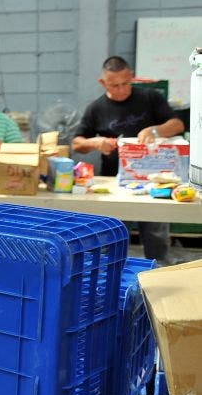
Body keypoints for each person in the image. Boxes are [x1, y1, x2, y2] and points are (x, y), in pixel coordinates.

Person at [72, 55, 185, 263]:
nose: (122, 89)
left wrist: (155, 130)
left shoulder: (150, 98)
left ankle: (159, 275)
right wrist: (96, 143)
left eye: (126, 83)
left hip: (153, 182)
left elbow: (178, 124)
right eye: (114, 85)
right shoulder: (96, 108)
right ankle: (114, 279)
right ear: (102, 83)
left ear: (131, 76)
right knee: (113, 238)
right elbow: (76, 143)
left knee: (156, 236)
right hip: (116, 184)